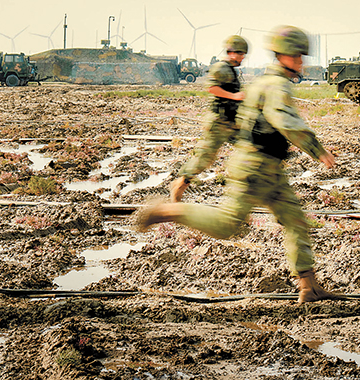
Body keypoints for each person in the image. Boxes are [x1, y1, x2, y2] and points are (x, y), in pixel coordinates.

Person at [136, 26, 339, 303]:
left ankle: (309, 286)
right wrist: (317, 150)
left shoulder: (261, 83)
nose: (301, 62)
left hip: (268, 168)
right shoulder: (276, 86)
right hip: (256, 167)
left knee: (296, 222)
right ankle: (167, 211)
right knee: (227, 224)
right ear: (283, 56)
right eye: (297, 56)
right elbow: (284, 120)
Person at [169, 35, 249, 202]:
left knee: (250, 149)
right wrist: (234, 96)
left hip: (231, 122)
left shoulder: (231, 70)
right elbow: (212, 88)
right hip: (218, 123)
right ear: (231, 52)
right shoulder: (220, 68)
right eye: (240, 54)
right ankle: (179, 186)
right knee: (204, 159)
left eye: (244, 54)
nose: (242, 57)